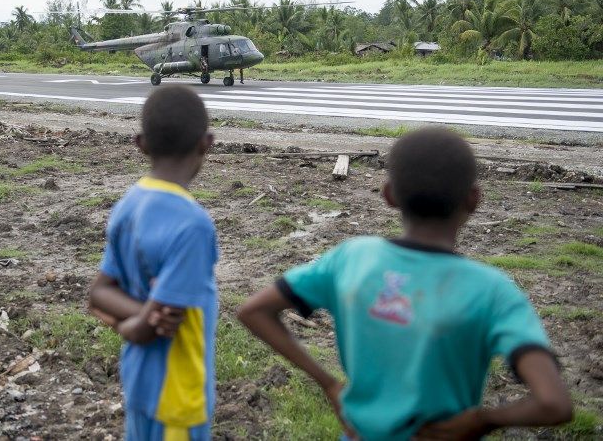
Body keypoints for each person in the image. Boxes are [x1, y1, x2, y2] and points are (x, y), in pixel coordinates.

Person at [238, 127, 572, 440]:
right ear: (473, 199)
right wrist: (484, 419)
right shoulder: (493, 291)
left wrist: (328, 384)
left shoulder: (351, 258)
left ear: (389, 195)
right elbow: (554, 403)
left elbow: (254, 311)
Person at [88, 85, 218, 441]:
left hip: (138, 382)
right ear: (206, 142)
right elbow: (150, 326)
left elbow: (100, 293)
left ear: (140, 143)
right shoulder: (193, 225)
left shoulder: (127, 205)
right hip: (176, 396)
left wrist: (129, 315)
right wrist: (136, 323)